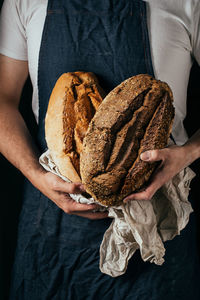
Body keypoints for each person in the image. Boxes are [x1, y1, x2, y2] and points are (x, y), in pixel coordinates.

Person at [0, 0, 200, 299]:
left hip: (155, 231)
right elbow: (3, 98)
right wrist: (34, 173)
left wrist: (189, 152)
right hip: (51, 233)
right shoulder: (24, 2)